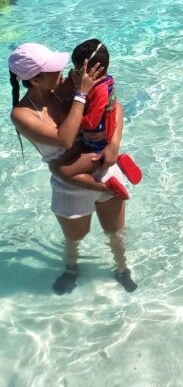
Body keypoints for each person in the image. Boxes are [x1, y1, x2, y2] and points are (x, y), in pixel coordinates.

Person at [8, 42, 137, 293]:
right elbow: (64, 139)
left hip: (103, 164)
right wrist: (80, 94)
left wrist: (114, 143)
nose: (62, 70)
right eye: (53, 69)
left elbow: (115, 105)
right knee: (75, 238)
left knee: (115, 231)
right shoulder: (22, 114)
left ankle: (122, 267)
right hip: (71, 184)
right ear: (34, 80)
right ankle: (71, 267)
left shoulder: (67, 85)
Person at [55, 39, 142, 202]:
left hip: (97, 144)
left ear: (90, 69)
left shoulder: (100, 92)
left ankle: (108, 188)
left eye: (78, 70)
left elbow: (91, 123)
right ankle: (120, 163)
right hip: (100, 140)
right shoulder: (103, 82)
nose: (75, 72)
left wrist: (69, 120)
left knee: (65, 172)